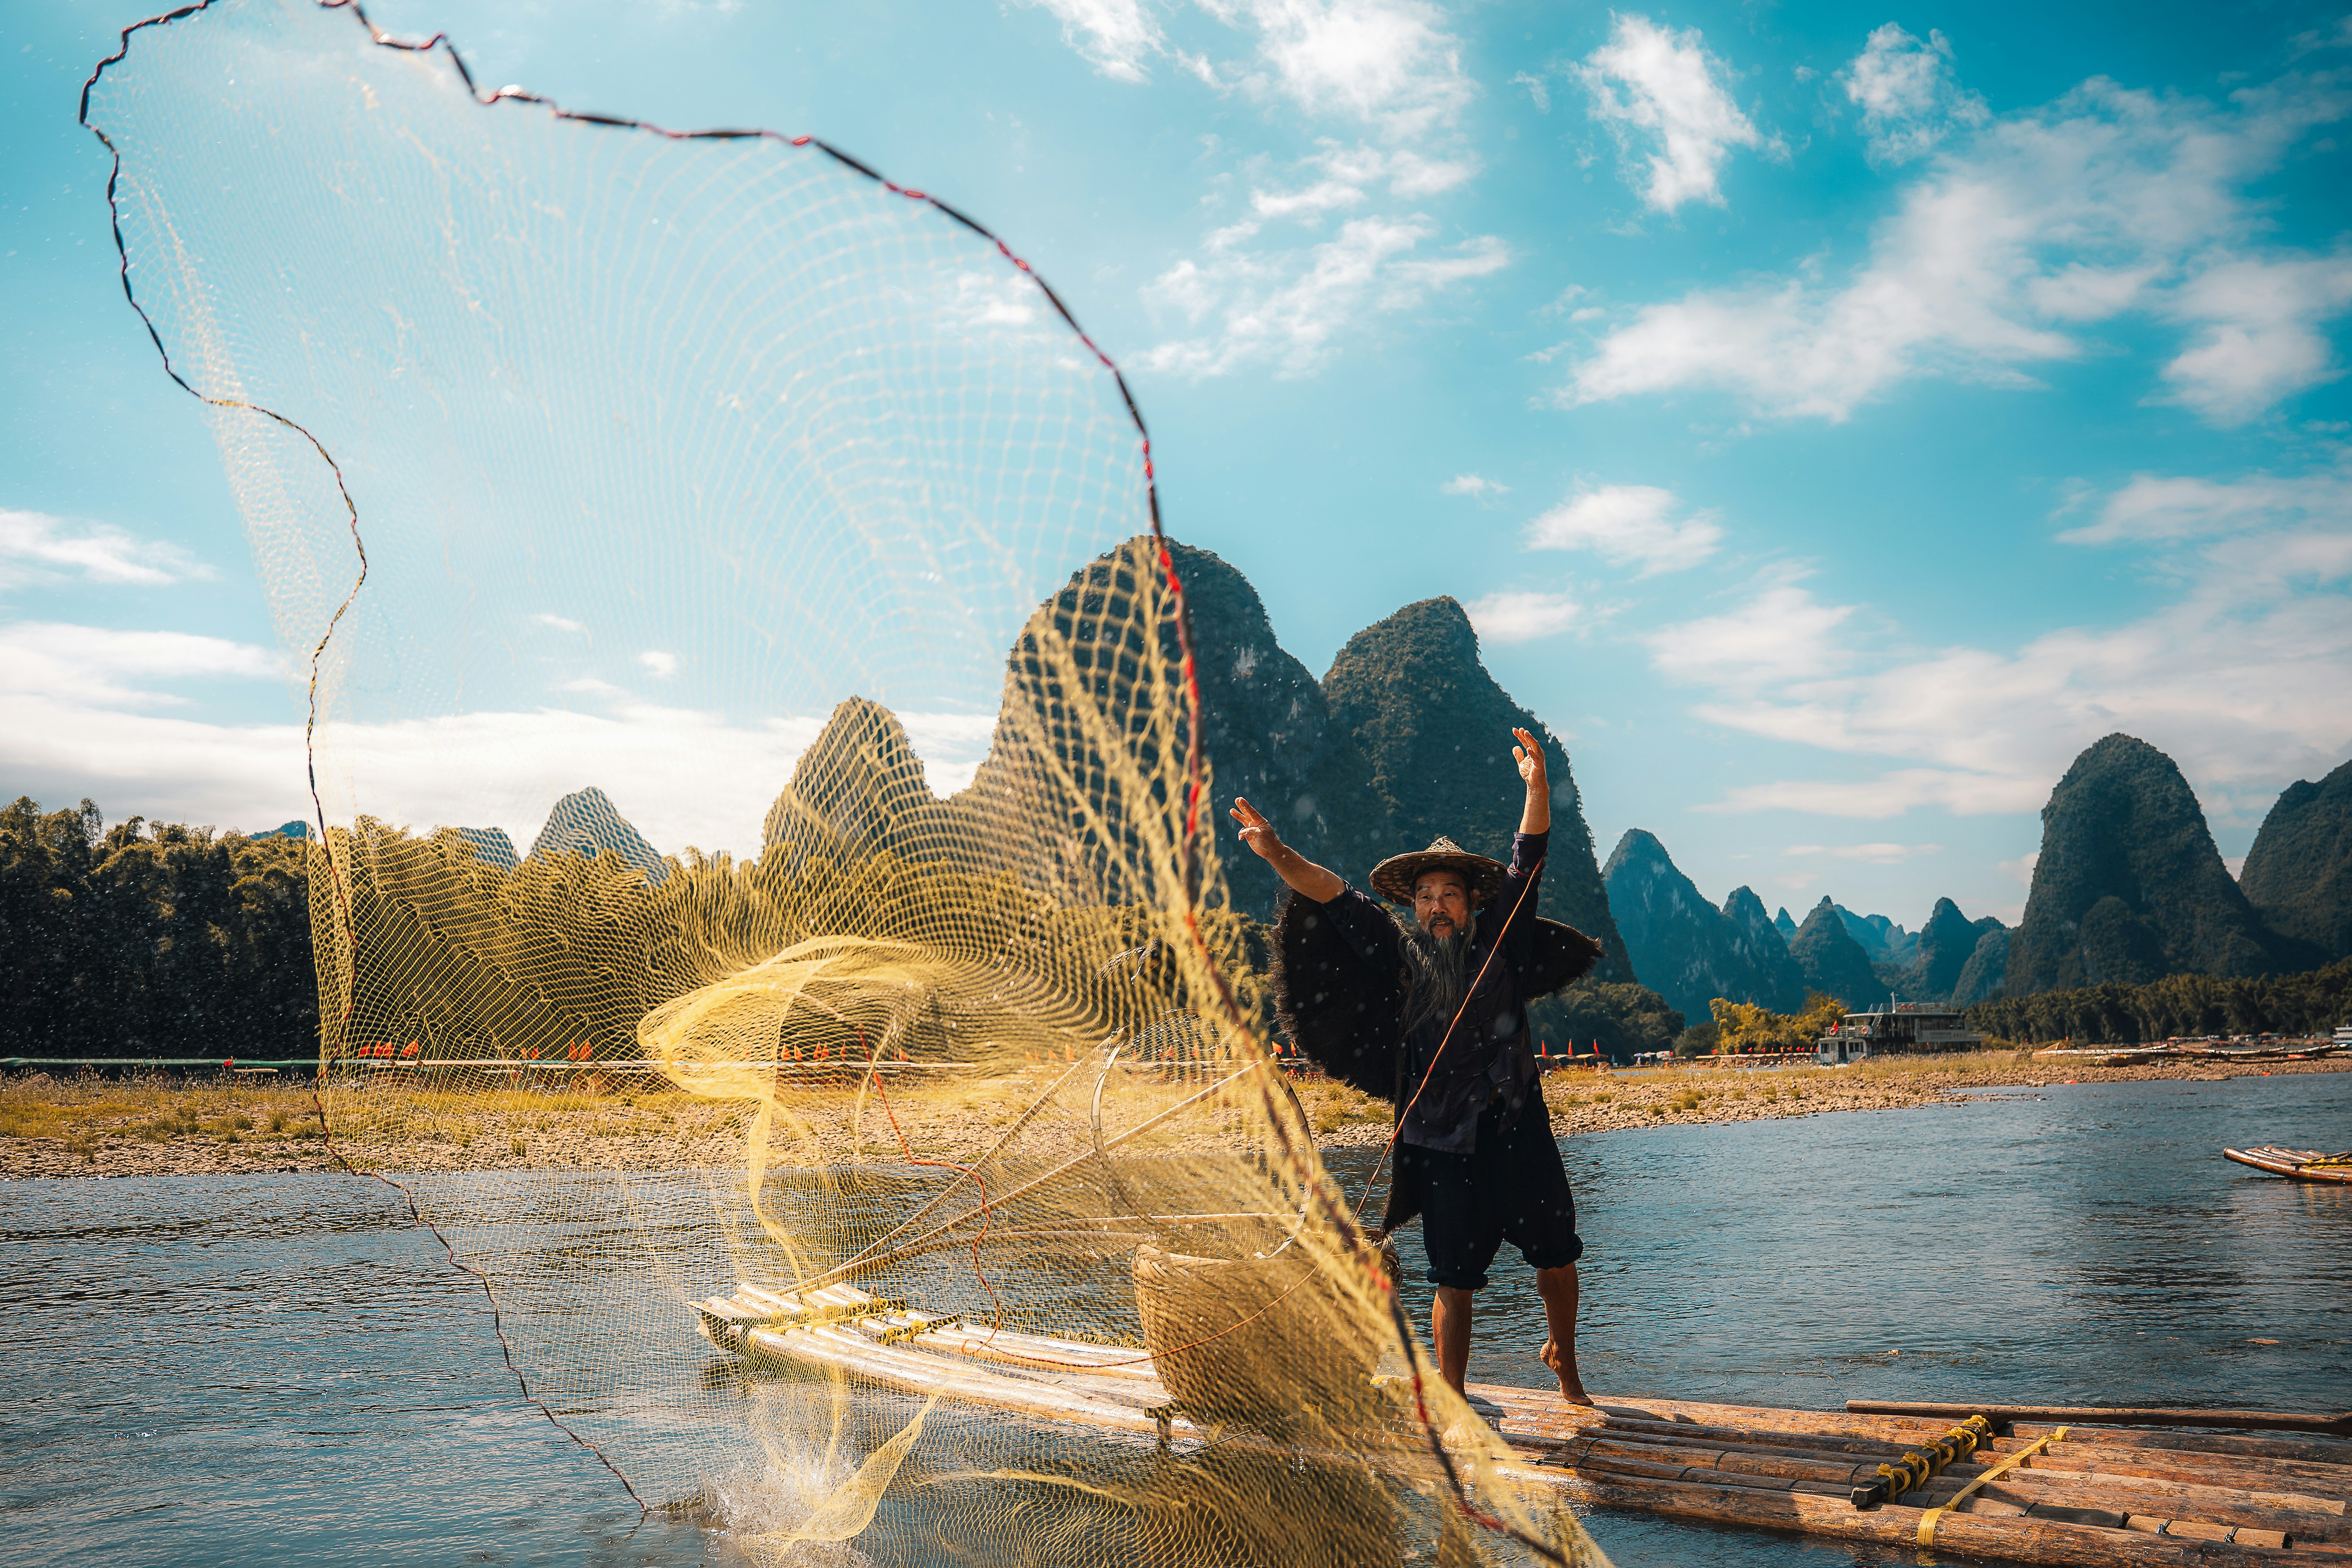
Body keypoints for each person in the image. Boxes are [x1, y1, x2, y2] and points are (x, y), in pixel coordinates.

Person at [1231, 728, 1601, 1405]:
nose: (1437, 905)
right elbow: (1332, 895)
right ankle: (1453, 1397)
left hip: (1518, 1127)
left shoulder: (1502, 939)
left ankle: (1566, 1365)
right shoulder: (1397, 953)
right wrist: (1277, 851)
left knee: (1557, 1252)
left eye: (1450, 895)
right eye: (1425, 895)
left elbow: (1529, 858)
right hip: (1439, 1139)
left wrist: (1538, 789)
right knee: (1452, 1275)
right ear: (1411, 905)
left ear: (1470, 903)